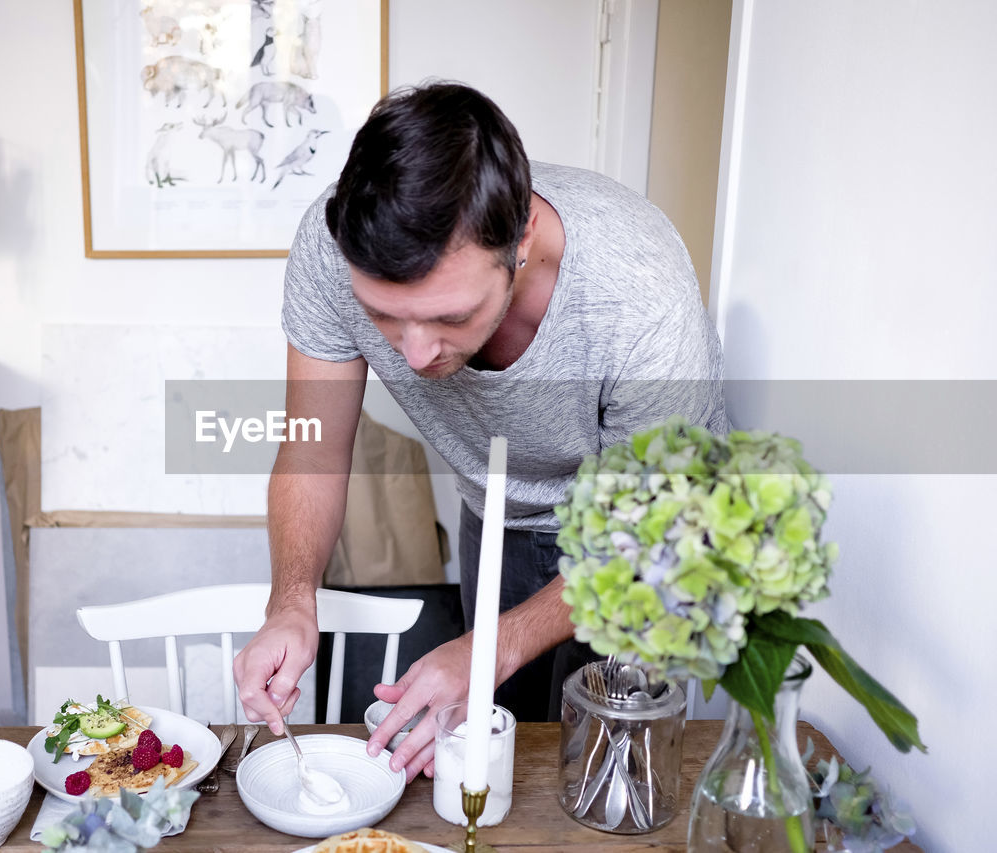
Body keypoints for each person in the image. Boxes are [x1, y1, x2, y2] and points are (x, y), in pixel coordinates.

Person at [232, 82, 725, 781]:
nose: (415, 355)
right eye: (383, 317)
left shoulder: (640, 290)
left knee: (610, 777)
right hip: (495, 510)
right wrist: (291, 603)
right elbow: (312, 445)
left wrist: (493, 644)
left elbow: (656, 530)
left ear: (520, 239)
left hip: (642, 528)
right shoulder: (327, 250)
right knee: (490, 762)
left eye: (450, 317)